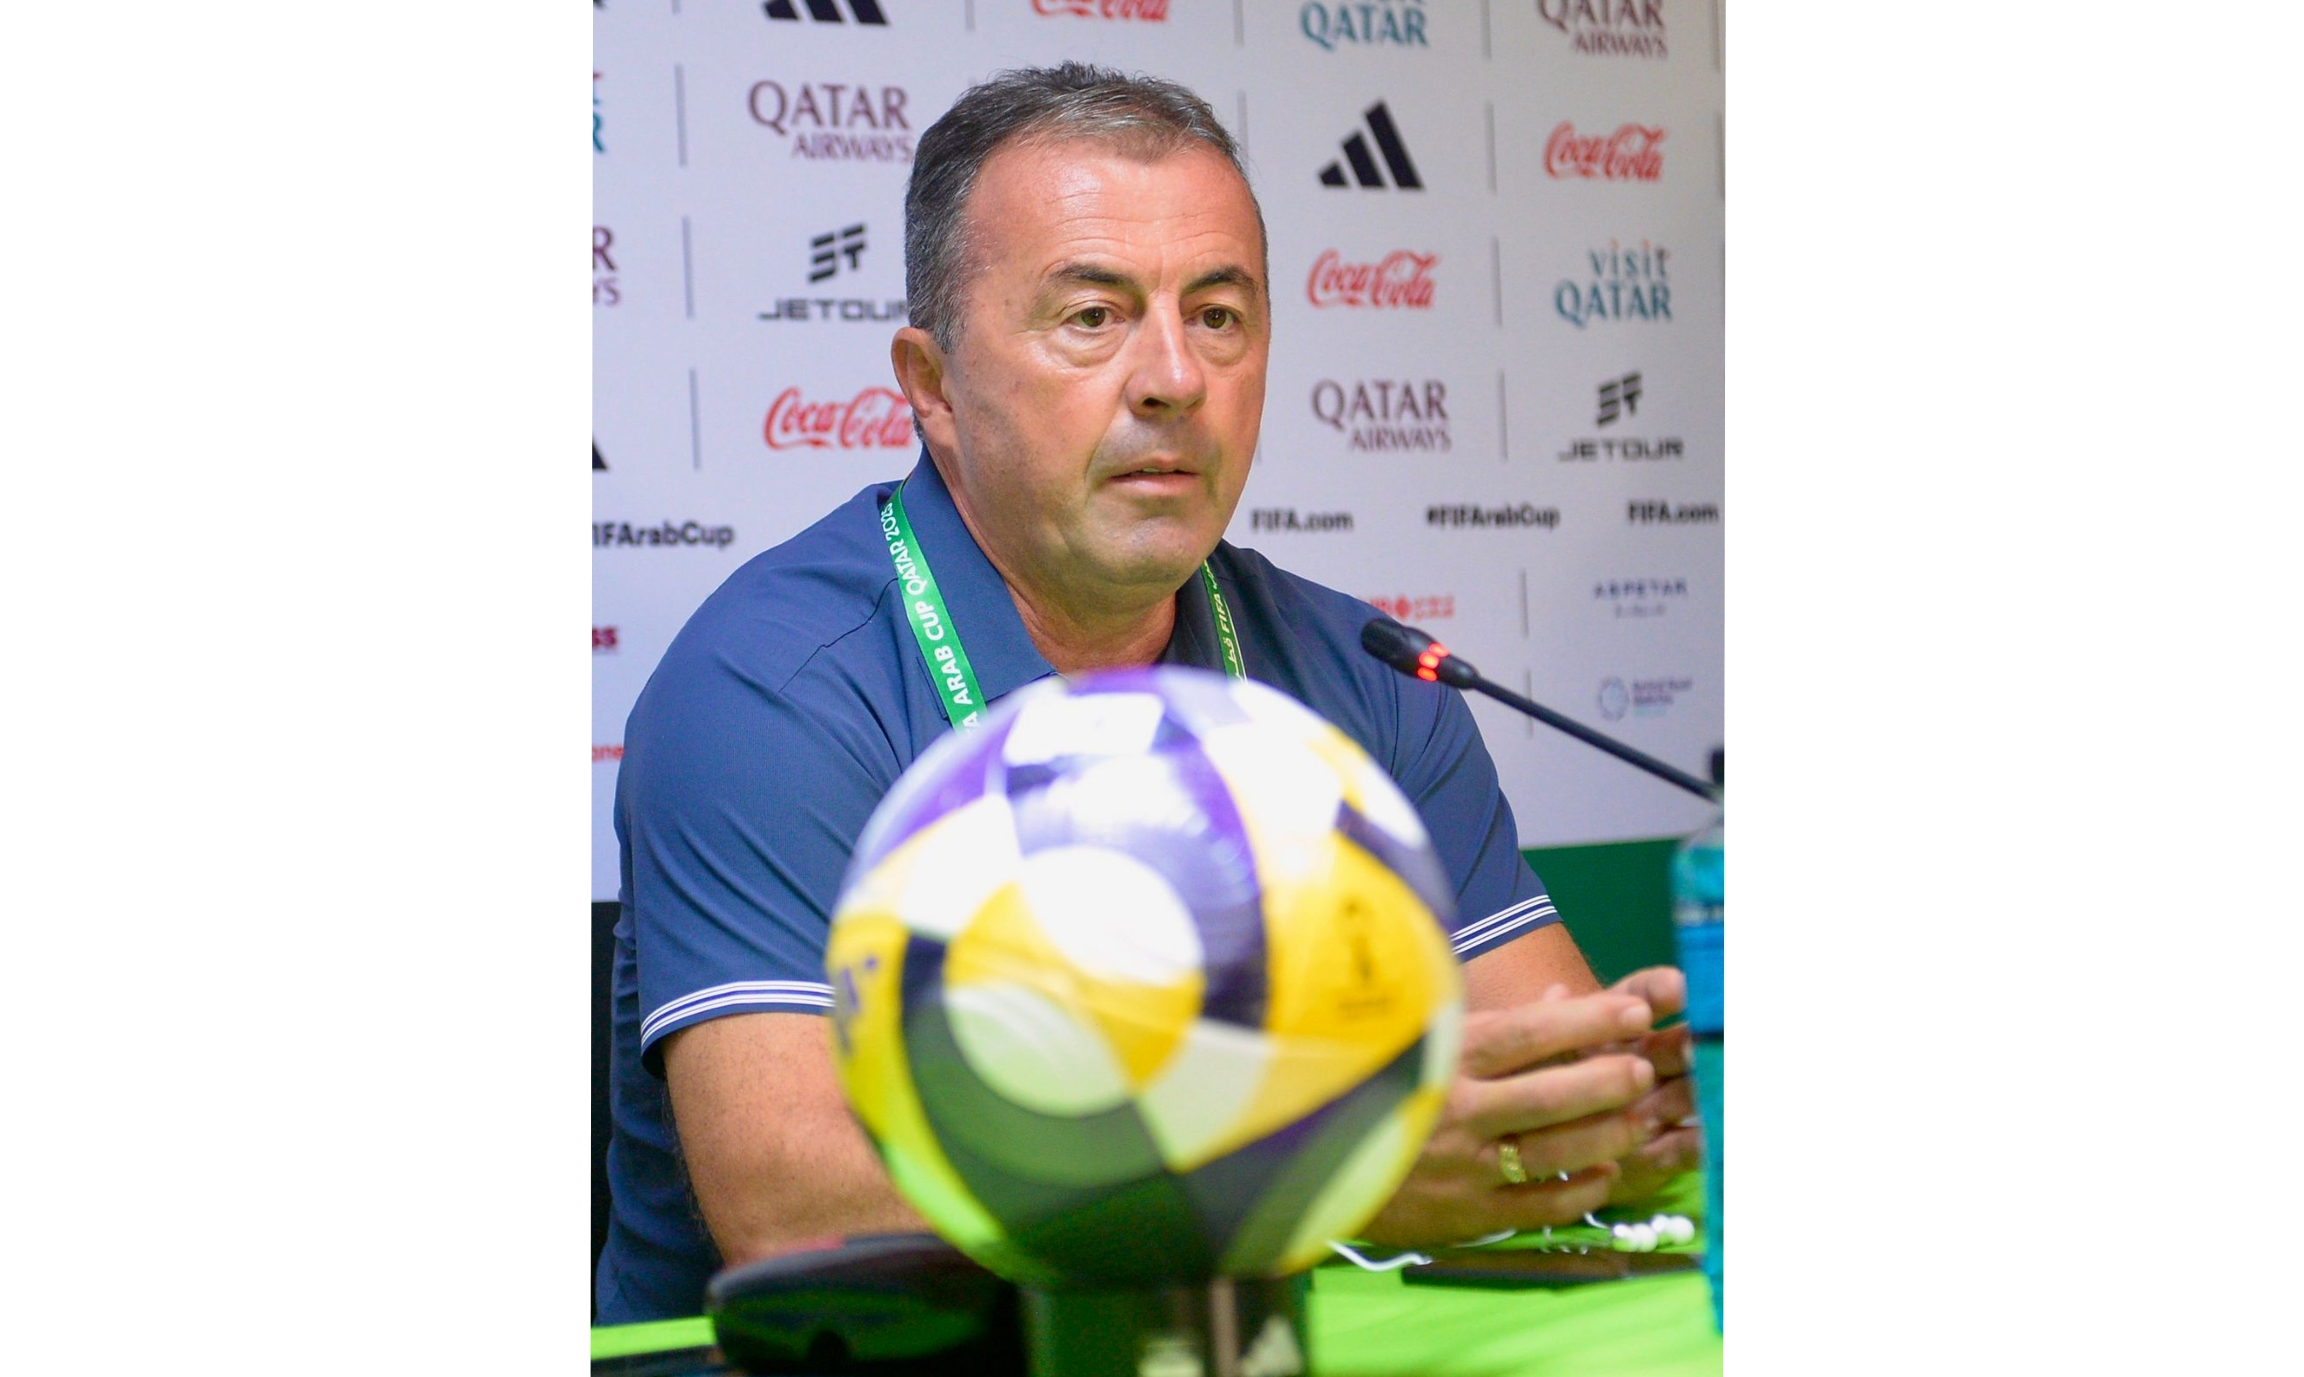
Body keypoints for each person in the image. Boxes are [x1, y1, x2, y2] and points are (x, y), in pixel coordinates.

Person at [598, 62, 1698, 1324]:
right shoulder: (771, 689)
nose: (1174, 376)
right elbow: (795, 1211)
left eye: (1219, 316)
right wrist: (1329, 1173)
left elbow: (1559, 1079)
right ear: (933, 383)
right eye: (1093, 316)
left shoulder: (1367, 673)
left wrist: (1626, 1098)